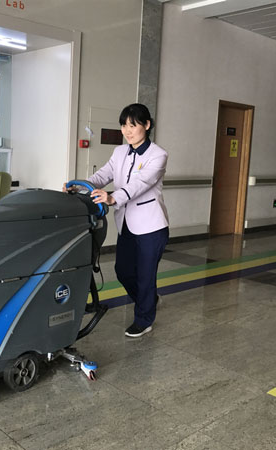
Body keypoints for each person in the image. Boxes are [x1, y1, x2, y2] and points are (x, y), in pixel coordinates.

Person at [86, 103, 169, 338]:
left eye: (133, 125)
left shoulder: (158, 155)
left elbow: (141, 183)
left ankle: (144, 319)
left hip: (151, 226)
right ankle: (149, 300)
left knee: (145, 276)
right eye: (124, 125)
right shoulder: (120, 152)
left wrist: (113, 197)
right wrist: (81, 185)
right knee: (123, 271)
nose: (127, 131)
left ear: (147, 125)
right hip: (126, 225)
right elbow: (103, 175)